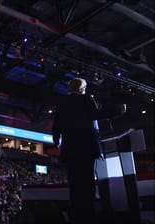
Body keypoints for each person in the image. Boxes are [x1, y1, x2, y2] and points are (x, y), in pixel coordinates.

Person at [52, 78, 125, 224]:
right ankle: (88, 215)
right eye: (85, 88)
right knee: (88, 182)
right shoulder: (86, 99)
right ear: (81, 89)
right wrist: (117, 110)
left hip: (70, 150)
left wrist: (57, 139)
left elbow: (56, 126)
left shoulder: (62, 103)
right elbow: (96, 114)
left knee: (74, 183)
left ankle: (75, 215)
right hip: (87, 148)